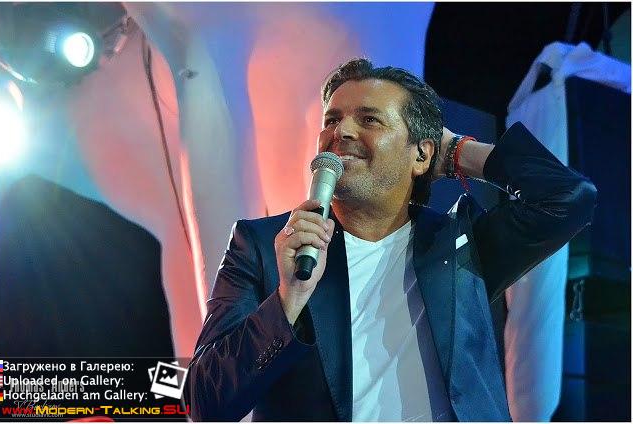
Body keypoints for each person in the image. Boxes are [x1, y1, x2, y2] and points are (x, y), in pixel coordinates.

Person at [183, 58, 597, 421]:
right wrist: (287, 301)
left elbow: (568, 198)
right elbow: (203, 401)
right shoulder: (263, 245)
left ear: (422, 155)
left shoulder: (458, 245)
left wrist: (457, 152)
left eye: (369, 120)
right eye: (331, 120)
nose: (341, 131)